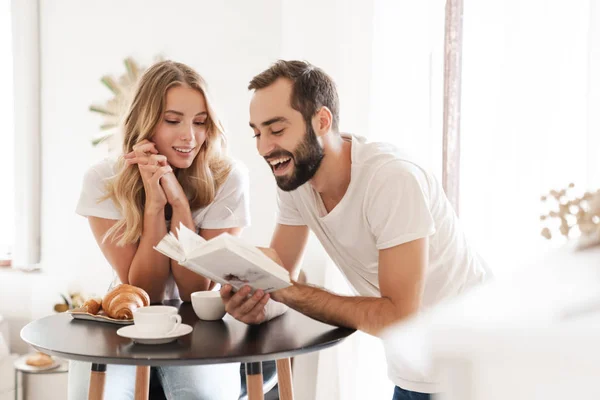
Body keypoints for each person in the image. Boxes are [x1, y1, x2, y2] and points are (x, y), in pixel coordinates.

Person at [220, 60, 492, 399]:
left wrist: (286, 290)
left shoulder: (391, 180)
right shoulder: (297, 182)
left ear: (321, 121)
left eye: (276, 130)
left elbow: (398, 316)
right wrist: (254, 301)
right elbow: (280, 278)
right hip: (413, 372)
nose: (263, 148)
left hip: (477, 368)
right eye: (257, 133)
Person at [71, 60, 247, 400]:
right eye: (172, 121)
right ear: (146, 122)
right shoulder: (103, 180)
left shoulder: (228, 177)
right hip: (129, 312)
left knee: (201, 395)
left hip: (203, 317)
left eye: (200, 122)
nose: (190, 136)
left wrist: (179, 205)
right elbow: (144, 292)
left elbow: (195, 289)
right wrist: (154, 206)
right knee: (93, 394)